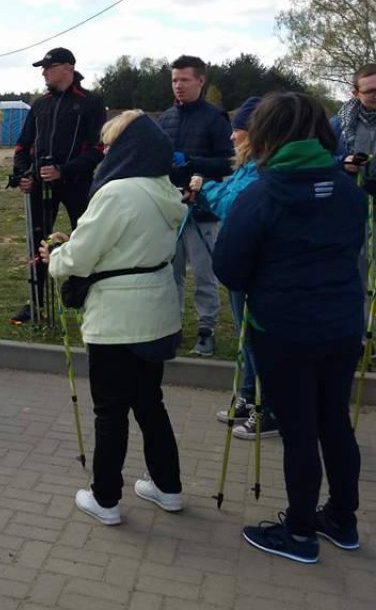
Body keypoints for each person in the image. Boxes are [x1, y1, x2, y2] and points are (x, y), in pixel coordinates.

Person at [214, 91, 365, 564]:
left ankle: (300, 533)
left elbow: (229, 268)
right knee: (335, 422)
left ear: (267, 135)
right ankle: (342, 518)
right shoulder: (347, 189)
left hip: (284, 330)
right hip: (342, 325)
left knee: (300, 430)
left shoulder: (262, 192)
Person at [41, 110, 185, 526]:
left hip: (118, 317)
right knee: (149, 403)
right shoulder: (164, 188)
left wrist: (57, 256)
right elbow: (125, 243)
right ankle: (168, 487)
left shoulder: (117, 192)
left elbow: (83, 256)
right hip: (156, 310)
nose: (105, 152)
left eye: (110, 144)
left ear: (127, 147)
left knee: (110, 410)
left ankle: (105, 498)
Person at [188, 97, 278, 440]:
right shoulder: (246, 166)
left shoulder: (262, 169)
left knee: (255, 337)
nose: (231, 137)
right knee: (244, 336)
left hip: (256, 266)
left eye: (237, 131)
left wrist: (206, 188)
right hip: (240, 262)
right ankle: (248, 396)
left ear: (255, 133)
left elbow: (232, 202)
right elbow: (228, 192)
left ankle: (267, 407)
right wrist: (208, 187)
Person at [11, 47, 106, 324]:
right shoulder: (41, 104)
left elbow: (98, 149)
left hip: (77, 185)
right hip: (41, 185)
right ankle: (36, 302)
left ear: (67, 68)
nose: (43, 73)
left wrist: (63, 171)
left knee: (86, 239)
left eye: (48, 68)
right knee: (37, 241)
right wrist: (22, 174)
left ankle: (84, 295)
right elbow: (22, 144)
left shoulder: (90, 102)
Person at [157, 55, 233, 356]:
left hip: (202, 209)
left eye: (184, 80)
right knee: (169, 272)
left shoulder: (216, 119)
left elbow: (228, 162)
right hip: (170, 207)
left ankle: (206, 329)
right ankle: (171, 327)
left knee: (204, 273)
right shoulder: (165, 118)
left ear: (200, 81)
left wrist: (192, 162)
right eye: (174, 80)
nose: (178, 85)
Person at [332, 63, 376, 174]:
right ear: (356, 94)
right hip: (350, 188)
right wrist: (342, 162)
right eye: (370, 91)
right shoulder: (338, 123)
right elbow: (320, 158)